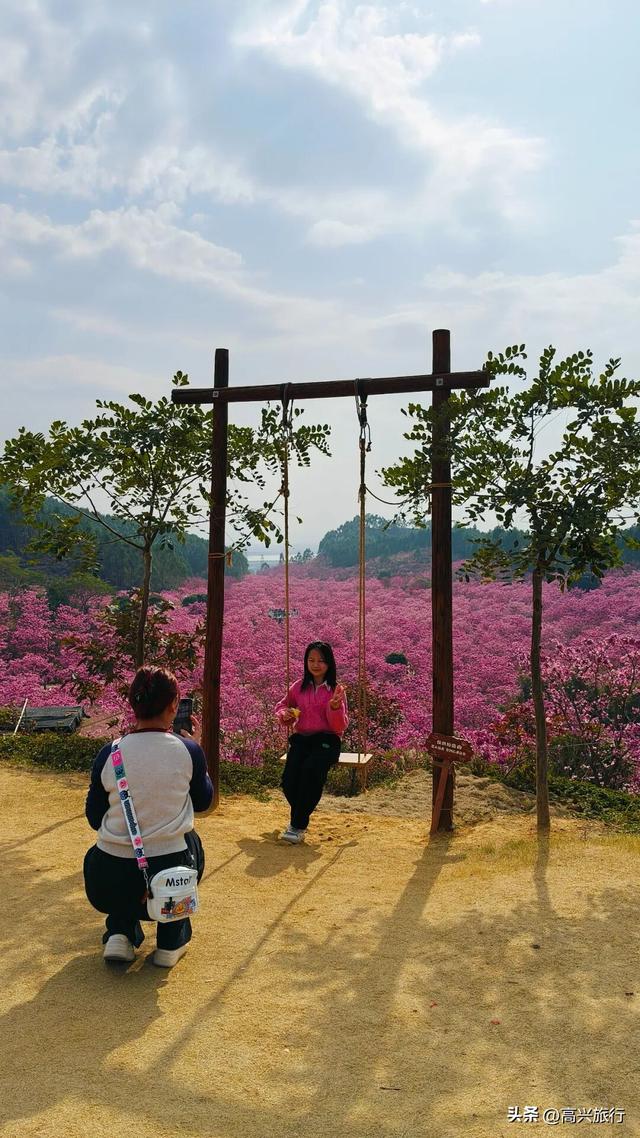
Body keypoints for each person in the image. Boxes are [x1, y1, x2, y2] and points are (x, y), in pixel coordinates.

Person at [83, 666, 213, 967]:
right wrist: (198, 750)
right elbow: (204, 802)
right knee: (190, 841)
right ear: (173, 706)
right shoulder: (188, 751)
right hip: (168, 878)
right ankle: (171, 939)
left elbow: (94, 818)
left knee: (115, 848)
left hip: (108, 881)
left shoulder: (110, 753)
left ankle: (120, 932)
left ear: (133, 704)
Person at [275, 641, 348, 843]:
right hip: (302, 739)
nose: (316, 665)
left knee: (310, 772)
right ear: (306, 662)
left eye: (321, 661)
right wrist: (285, 713)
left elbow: (339, 727)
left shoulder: (335, 690)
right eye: (311, 660)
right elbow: (282, 706)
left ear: (329, 663)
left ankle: (297, 826)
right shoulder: (298, 687)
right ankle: (300, 816)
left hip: (327, 740)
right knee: (289, 782)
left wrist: (334, 707)